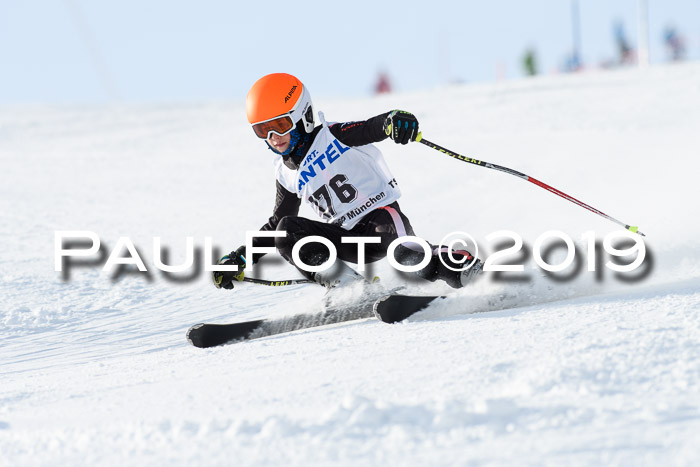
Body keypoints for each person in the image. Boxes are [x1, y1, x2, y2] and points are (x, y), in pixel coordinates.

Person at [213, 73, 481, 292]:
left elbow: (370, 127)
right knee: (286, 230)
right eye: (263, 130)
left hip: (381, 220)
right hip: (346, 238)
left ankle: (464, 272)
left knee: (406, 256)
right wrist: (241, 257)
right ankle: (349, 288)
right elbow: (276, 225)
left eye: (281, 124)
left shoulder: (332, 136)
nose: (273, 136)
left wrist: (391, 121)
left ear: (301, 115)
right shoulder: (286, 172)